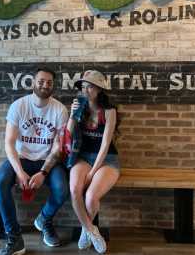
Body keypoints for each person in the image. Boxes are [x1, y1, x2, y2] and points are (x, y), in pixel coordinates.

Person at [0, 67, 69, 255]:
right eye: (41, 81)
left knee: (62, 189)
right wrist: (19, 172)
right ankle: (14, 237)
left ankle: (44, 220)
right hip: (21, 159)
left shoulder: (59, 109)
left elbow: (58, 147)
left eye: (49, 82)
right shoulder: (19, 106)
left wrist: (44, 172)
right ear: (33, 82)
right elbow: (9, 143)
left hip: (47, 162)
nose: (45, 85)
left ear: (53, 86)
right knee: (1, 182)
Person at [67, 70, 120, 254]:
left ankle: (85, 228)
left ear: (99, 89)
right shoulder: (79, 106)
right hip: (82, 156)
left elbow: (105, 144)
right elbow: (68, 135)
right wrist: (72, 115)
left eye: (90, 86)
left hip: (106, 159)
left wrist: (92, 172)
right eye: (83, 87)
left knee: (90, 196)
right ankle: (92, 230)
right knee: (74, 190)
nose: (85, 90)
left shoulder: (109, 111)